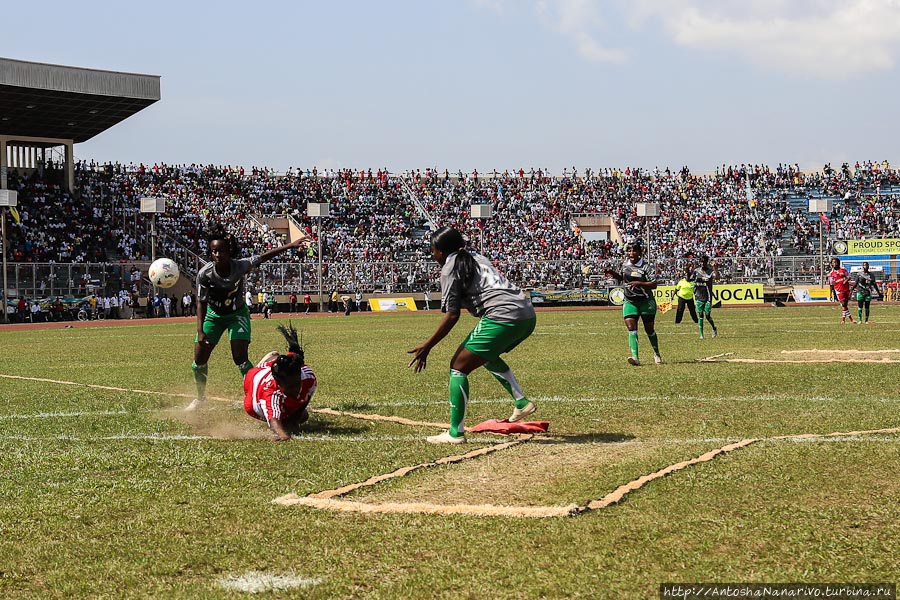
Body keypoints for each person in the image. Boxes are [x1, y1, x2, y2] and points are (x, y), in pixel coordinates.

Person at [408, 226, 537, 444]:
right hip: (527, 313)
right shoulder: (477, 256)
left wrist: (427, 345)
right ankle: (522, 402)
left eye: (433, 250)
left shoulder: (450, 268)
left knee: (458, 366)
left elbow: (452, 315)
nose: (433, 254)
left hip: (503, 315)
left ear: (441, 250)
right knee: (485, 355)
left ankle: (455, 434)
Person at [187, 221, 310, 411]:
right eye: (214, 251)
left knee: (241, 359)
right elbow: (201, 303)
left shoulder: (241, 266)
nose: (218, 255)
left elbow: (264, 256)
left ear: (229, 251)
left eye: (221, 251)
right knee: (198, 362)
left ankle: (255, 394)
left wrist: (290, 246)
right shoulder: (205, 275)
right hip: (214, 316)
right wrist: (200, 330)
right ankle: (200, 398)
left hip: (237, 315)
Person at [243, 323, 317, 441]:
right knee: (291, 422)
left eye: (296, 384)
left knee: (300, 417)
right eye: (290, 386)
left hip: (269, 373)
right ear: (279, 383)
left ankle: (272, 361)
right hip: (253, 384)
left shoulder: (308, 376)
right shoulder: (271, 392)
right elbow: (274, 421)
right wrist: (283, 435)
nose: (295, 389)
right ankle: (268, 362)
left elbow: (306, 398)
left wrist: (295, 418)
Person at [604, 240, 662, 365]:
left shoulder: (646, 267)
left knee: (649, 329)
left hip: (646, 301)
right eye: (629, 250)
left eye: (634, 250)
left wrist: (639, 283)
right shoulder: (625, 265)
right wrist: (612, 273)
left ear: (639, 252)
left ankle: (657, 353)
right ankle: (635, 357)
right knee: (631, 328)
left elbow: (654, 284)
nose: (631, 253)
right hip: (630, 301)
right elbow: (623, 279)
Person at [690, 255, 719, 339]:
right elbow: (690, 279)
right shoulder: (696, 271)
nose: (702, 263)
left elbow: (717, 278)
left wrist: (715, 268)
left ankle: (714, 328)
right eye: (701, 262)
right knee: (700, 314)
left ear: (706, 263)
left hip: (708, 296)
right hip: (698, 295)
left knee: (707, 315)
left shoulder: (710, 271)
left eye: (704, 262)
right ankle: (701, 335)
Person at [827, 257, 854, 324]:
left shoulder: (843, 270)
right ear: (831, 264)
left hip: (846, 289)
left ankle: (844, 320)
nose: (835, 263)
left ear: (838, 263)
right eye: (833, 262)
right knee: (844, 304)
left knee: (845, 305)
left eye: (836, 262)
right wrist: (830, 294)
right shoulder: (831, 274)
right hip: (838, 290)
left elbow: (849, 277)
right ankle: (850, 319)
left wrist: (846, 280)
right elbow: (831, 284)